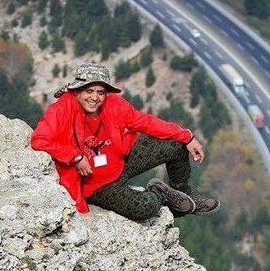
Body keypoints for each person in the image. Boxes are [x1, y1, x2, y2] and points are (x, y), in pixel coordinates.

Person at [30, 62, 220, 221]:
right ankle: (159, 193)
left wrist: (187, 137)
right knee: (146, 208)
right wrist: (75, 157)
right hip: (98, 184)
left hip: (121, 159)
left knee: (175, 144)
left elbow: (144, 122)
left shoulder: (112, 103)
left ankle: (183, 192)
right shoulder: (61, 110)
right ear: (77, 90)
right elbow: (39, 140)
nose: (95, 98)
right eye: (89, 91)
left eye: (101, 92)